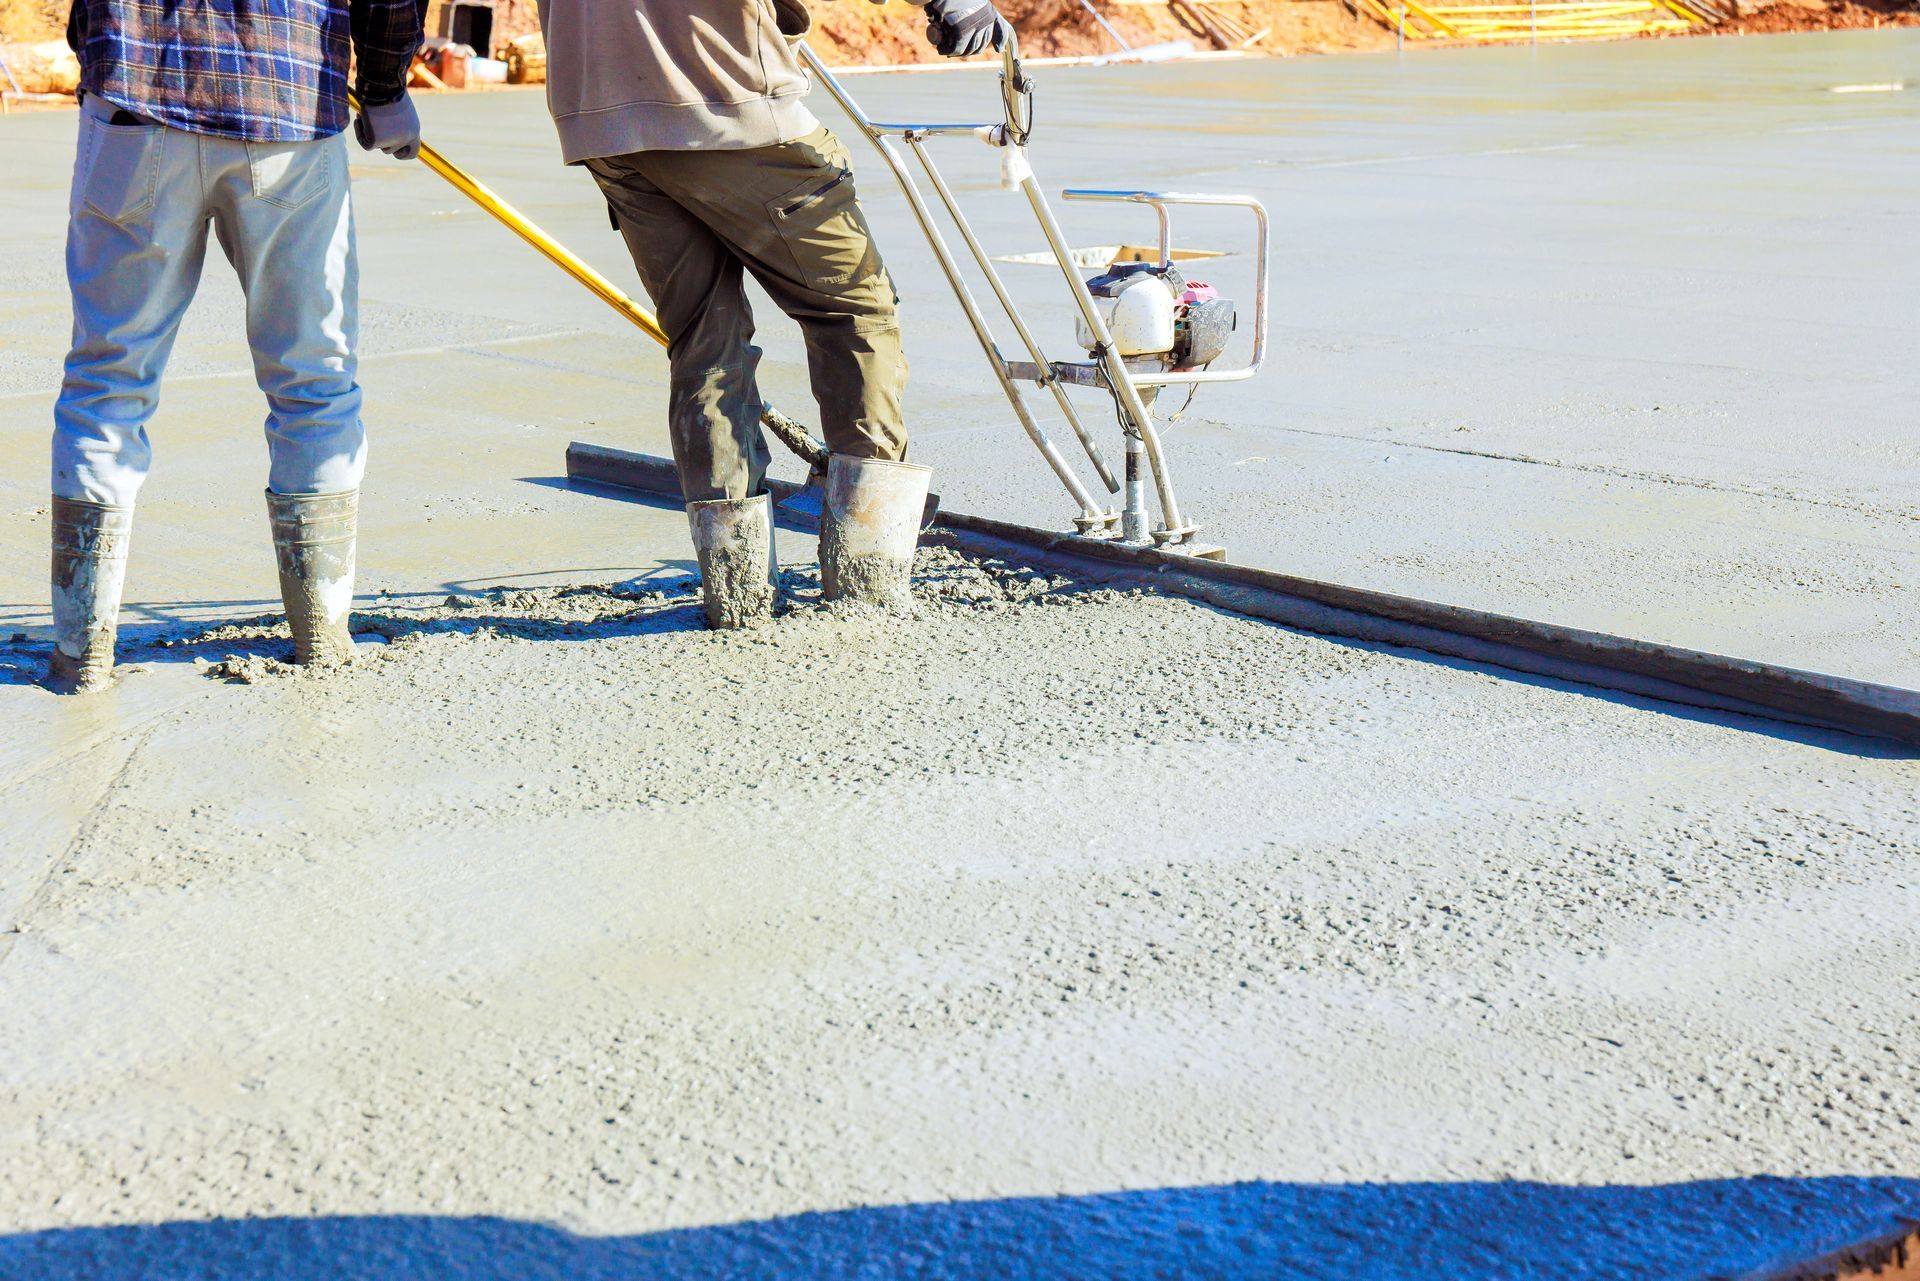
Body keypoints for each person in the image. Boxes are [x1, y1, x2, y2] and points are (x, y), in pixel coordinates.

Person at [533, 0, 1004, 627]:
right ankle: (868, 578)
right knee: (853, 313)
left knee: (704, 343)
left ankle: (739, 593)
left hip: (605, 123)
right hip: (729, 109)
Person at [46, 0, 427, 692]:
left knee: (107, 381)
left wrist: (98, 48)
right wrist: (384, 88)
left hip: (135, 98)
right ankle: (322, 635)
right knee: (315, 378)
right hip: (284, 104)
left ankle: (81, 652)